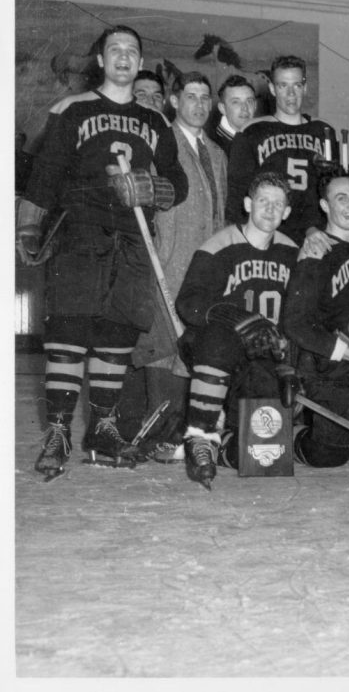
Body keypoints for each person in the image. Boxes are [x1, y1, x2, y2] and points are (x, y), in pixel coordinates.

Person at [17, 24, 187, 478]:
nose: (124, 57)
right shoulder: (73, 109)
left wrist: (153, 188)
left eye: (132, 50)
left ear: (140, 60)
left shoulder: (156, 122)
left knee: (115, 338)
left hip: (132, 242)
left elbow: (178, 182)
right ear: (100, 59)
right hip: (80, 235)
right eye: (115, 50)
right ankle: (58, 431)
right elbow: (45, 175)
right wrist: (29, 226)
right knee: (68, 336)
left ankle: (104, 428)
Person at [121, 71, 228, 451]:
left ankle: (183, 430)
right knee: (162, 350)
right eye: (190, 97)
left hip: (204, 268)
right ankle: (158, 436)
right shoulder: (159, 145)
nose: (198, 105)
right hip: (167, 261)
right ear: (175, 101)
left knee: (192, 349)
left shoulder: (216, 153)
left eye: (204, 98)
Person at [175, 172, 299, 488]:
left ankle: (224, 441)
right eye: (263, 201)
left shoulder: (292, 252)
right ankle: (200, 435)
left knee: (264, 459)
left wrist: (290, 362)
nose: (270, 210)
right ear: (248, 204)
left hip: (263, 359)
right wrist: (233, 317)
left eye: (278, 204)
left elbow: (300, 314)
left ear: (286, 212)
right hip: (218, 353)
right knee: (219, 337)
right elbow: (188, 303)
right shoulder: (219, 245)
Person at [281, 171, 349, 468]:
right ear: (325, 206)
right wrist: (343, 351)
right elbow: (294, 323)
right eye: (341, 199)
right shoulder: (316, 251)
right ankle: (294, 430)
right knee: (329, 456)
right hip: (324, 364)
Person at [225, 55, 338, 245]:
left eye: (297, 85)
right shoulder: (253, 131)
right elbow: (238, 195)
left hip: (316, 236)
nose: (291, 94)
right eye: (283, 86)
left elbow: (334, 189)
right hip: (268, 236)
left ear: (306, 87)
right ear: (272, 89)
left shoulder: (323, 132)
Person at [211, 74, 257, 156]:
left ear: (255, 106)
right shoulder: (213, 146)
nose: (244, 108)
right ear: (222, 108)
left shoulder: (263, 140)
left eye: (249, 101)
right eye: (236, 102)